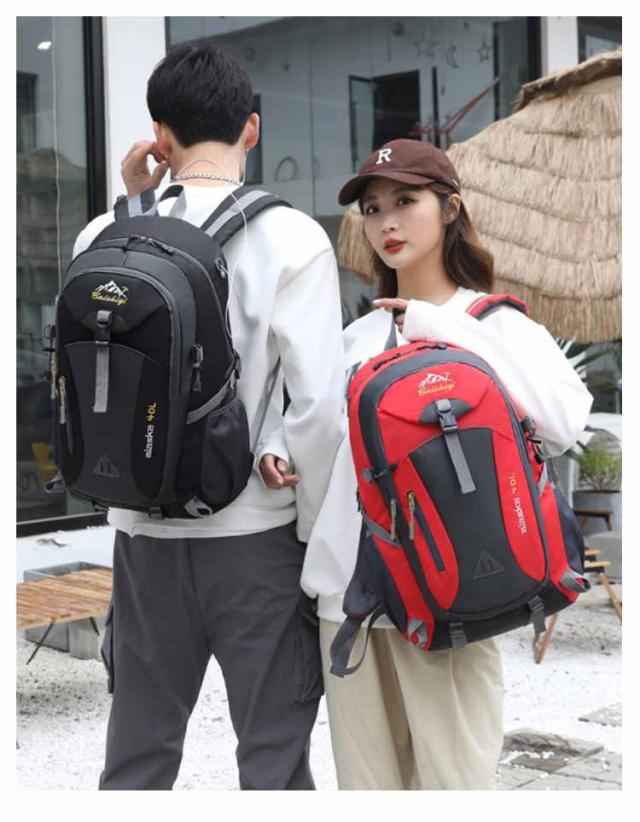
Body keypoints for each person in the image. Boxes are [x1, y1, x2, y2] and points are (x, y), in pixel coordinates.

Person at [263, 138, 593, 789]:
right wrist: (277, 442)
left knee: (454, 785)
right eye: (372, 208)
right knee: (368, 790)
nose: (386, 222)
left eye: (405, 201)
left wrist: (440, 329)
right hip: (350, 601)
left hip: (452, 597)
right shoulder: (353, 339)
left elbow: (563, 422)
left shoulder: (492, 323)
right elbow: (321, 438)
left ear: (450, 208)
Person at [72, 44, 345, 790]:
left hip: (141, 536)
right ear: (251, 129)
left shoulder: (101, 237)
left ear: (160, 136)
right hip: (255, 538)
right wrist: (315, 539)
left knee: (136, 758)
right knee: (273, 759)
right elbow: (319, 408)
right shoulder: (294, 239)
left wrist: (131, 202)